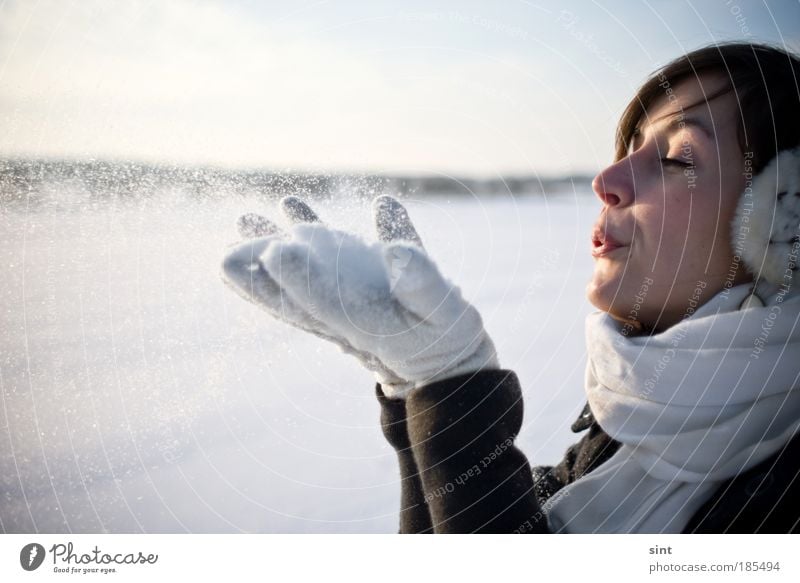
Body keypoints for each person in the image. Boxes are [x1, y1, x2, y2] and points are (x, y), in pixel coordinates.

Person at [221, 41, 800, 533]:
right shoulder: (638, 421)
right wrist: (416, 395)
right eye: (626, 151)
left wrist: (455, 388)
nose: (606, 180)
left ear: (781, 221)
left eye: (677, 157)